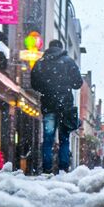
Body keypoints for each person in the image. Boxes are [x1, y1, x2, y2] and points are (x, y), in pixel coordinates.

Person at [31, 39, 84, 173]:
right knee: (64, 139)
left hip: (48, 105)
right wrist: (66, 83)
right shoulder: (69, 62)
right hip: (65, 106)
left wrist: (46, 88)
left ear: (49, 48)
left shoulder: (41, 63)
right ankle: (63, 169)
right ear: (61, 48)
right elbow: (78, 83)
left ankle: (47, 169)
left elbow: (34, 84)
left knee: (48, 139)